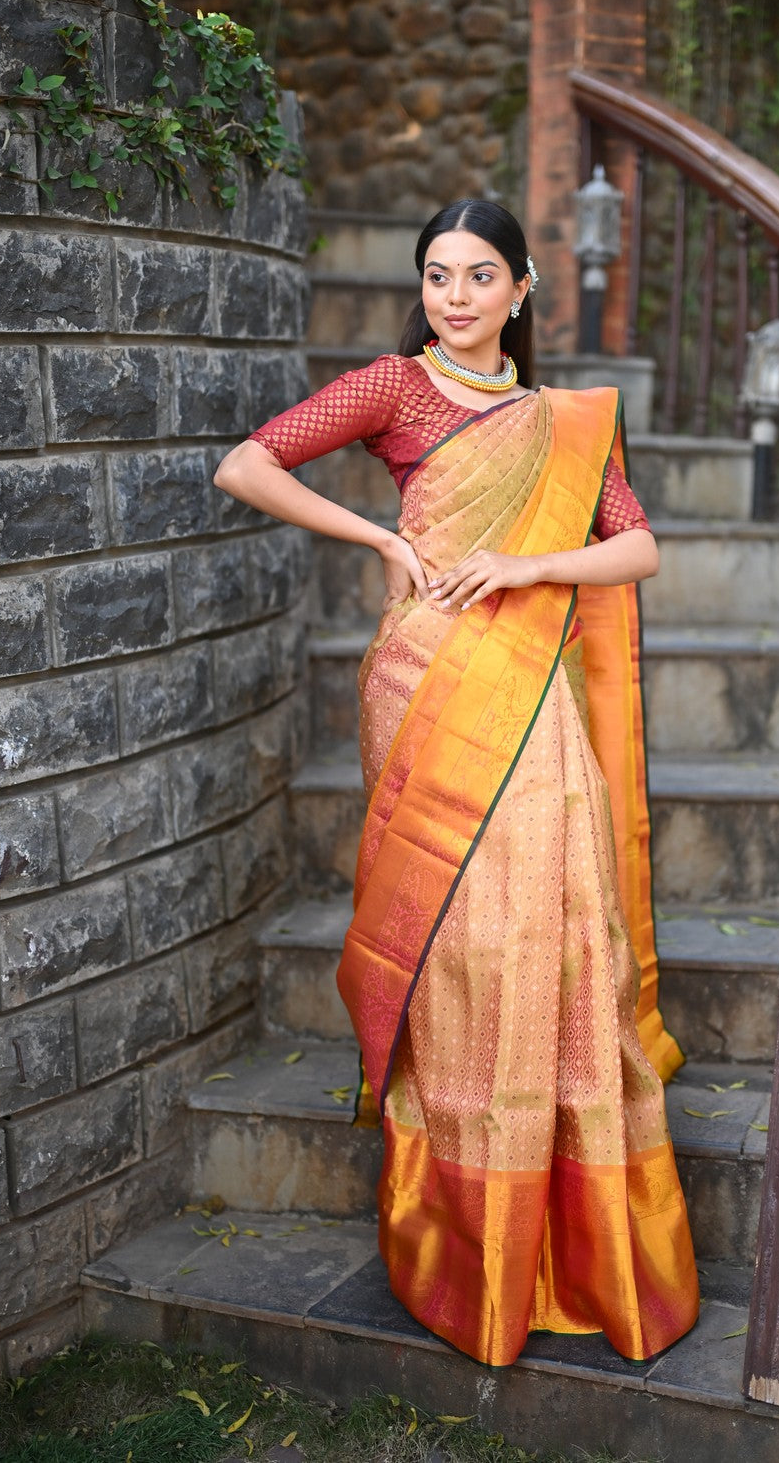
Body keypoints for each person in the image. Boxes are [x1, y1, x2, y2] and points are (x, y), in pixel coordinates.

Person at [214, 199, 699, 1367]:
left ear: (521, 288)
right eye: (437, 275)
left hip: (530, 687)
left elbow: (634, 547)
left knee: (551, 922)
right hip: (423, 679)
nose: (456, 297)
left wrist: (525, 563)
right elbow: (246, 463)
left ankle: (564, 1214)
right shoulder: (394, 388)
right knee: (460, 936)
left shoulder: (564, 422)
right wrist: (382, 542)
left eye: (480, 275)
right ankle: (462, 1219)